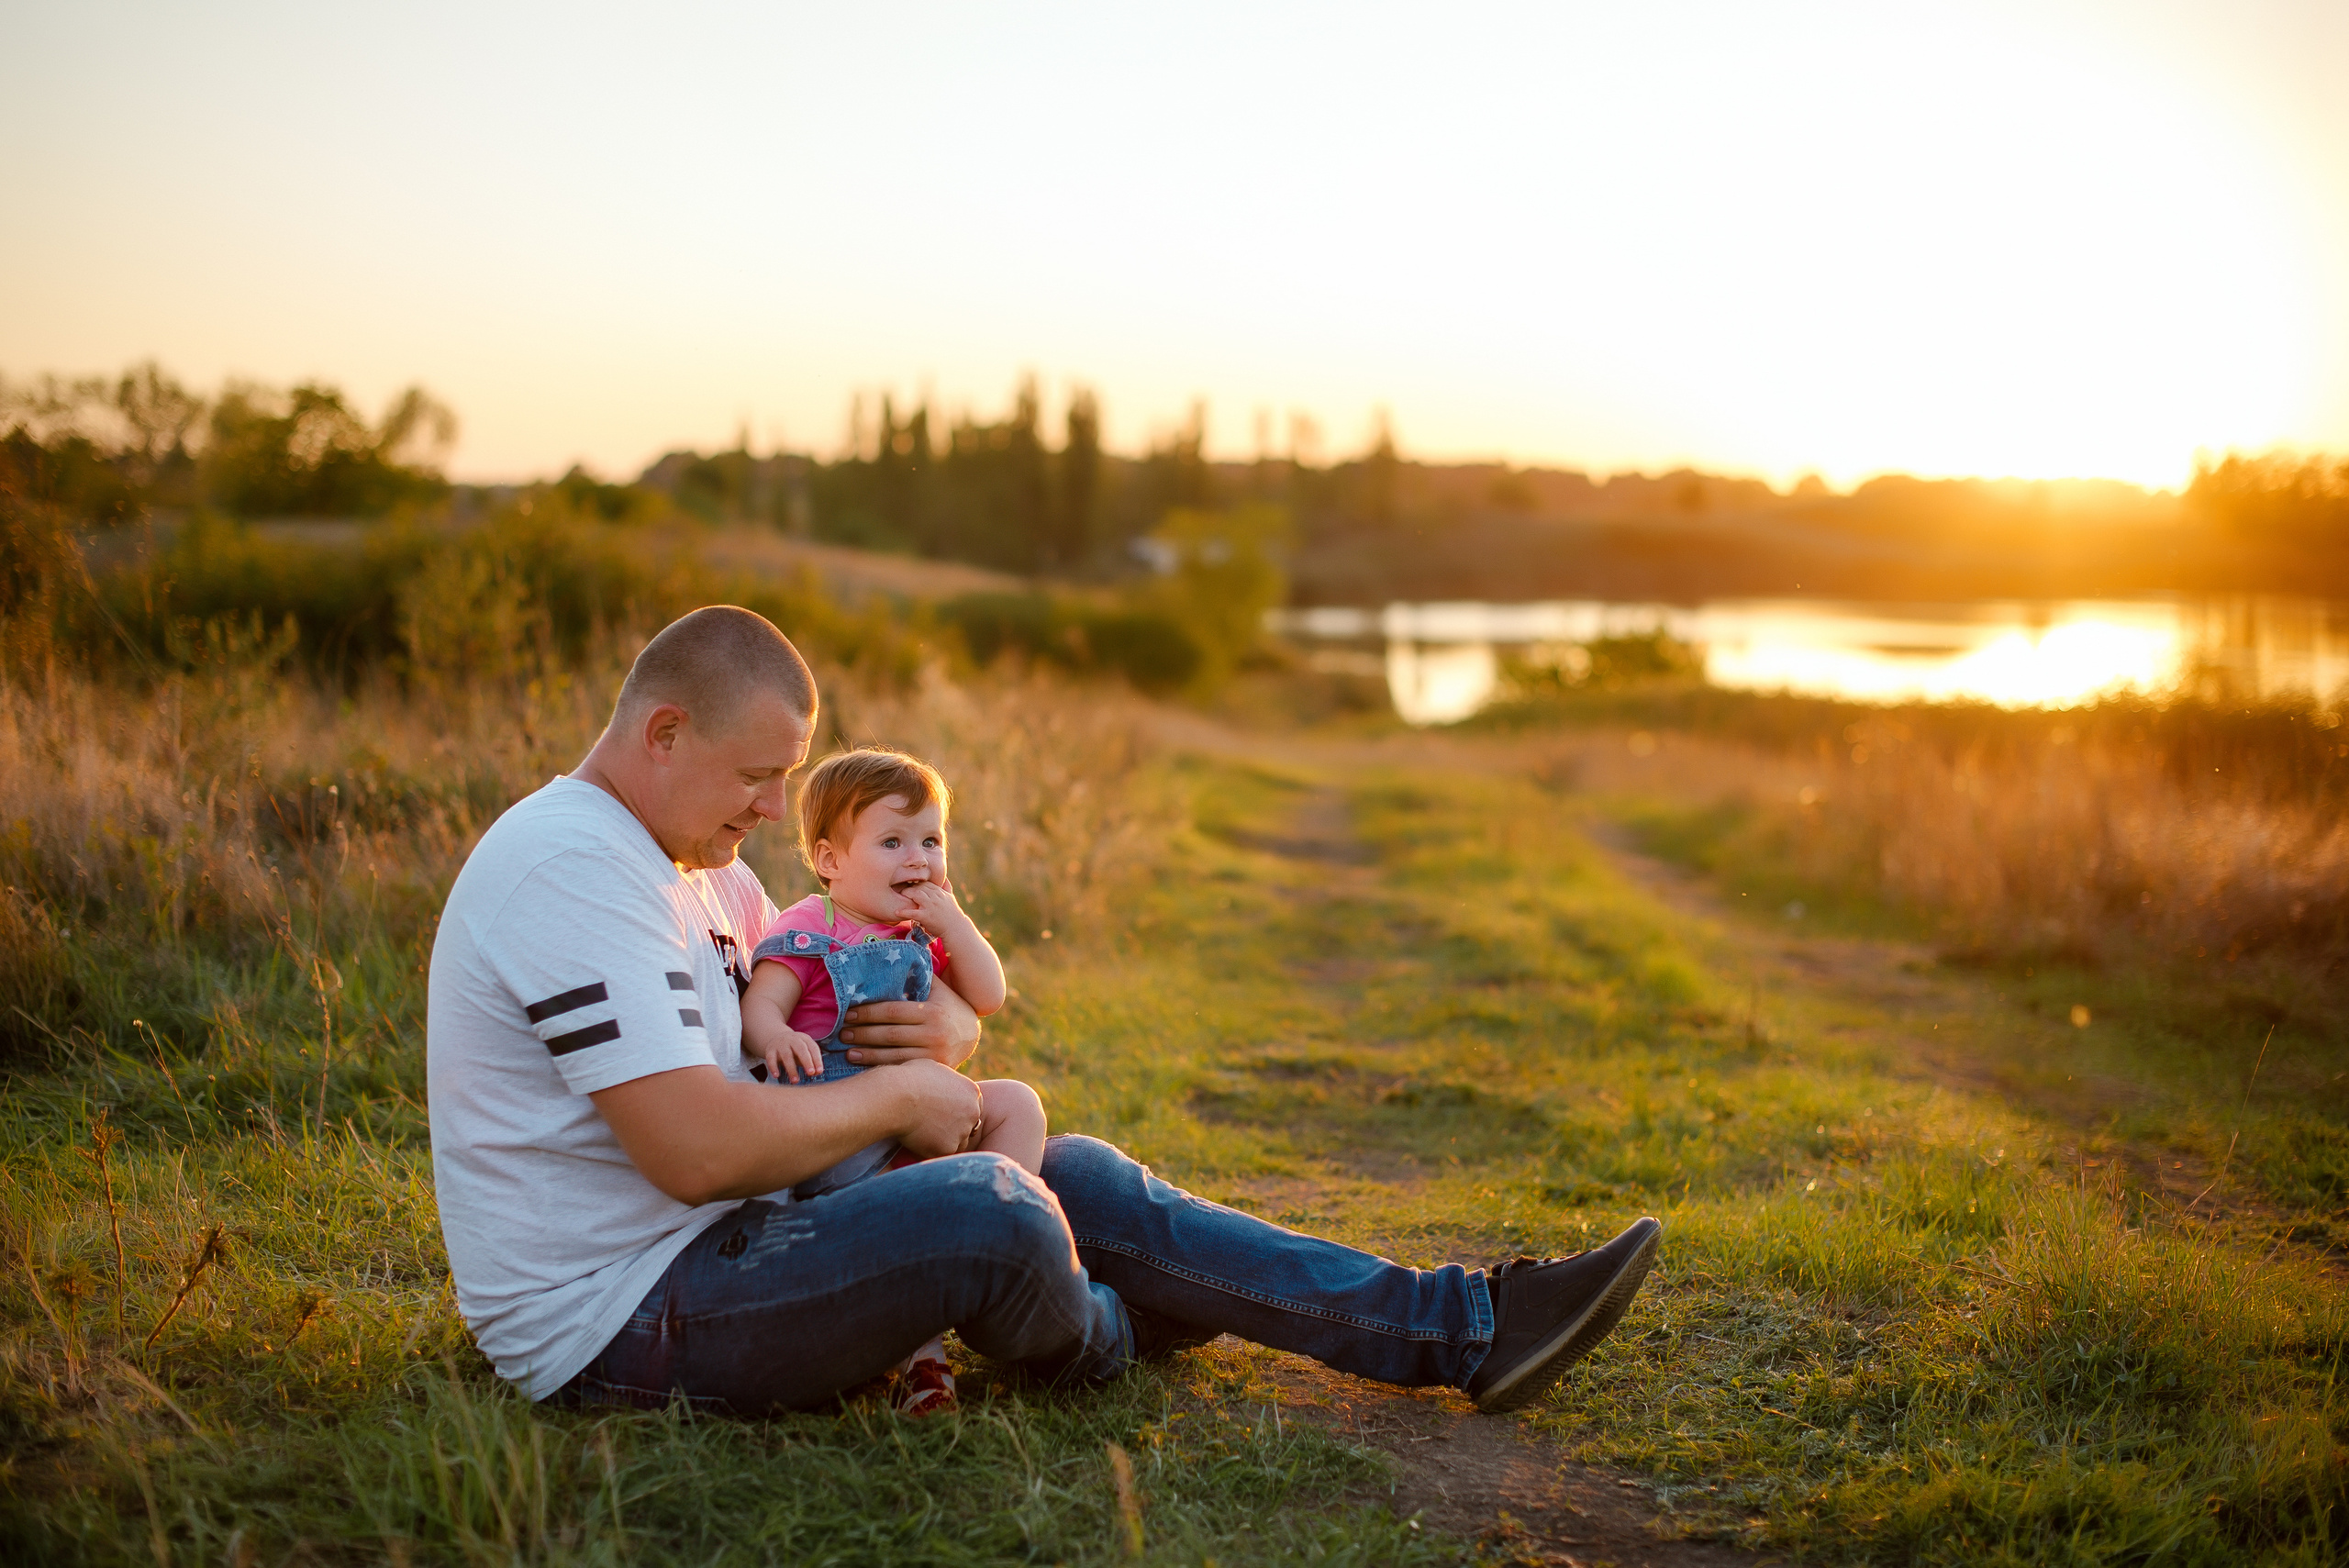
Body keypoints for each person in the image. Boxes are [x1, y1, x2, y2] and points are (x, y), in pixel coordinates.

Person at [426, 605, 1661, 1418]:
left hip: (760, 1232)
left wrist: (944, 1041)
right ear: (662, 732)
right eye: (754, 777)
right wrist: (912, 1095)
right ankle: (1124, 1316)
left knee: (1086, 1174)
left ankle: (1467, 1325)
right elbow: (692, 1149)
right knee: (999, 1209)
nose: (765, 810)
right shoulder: (570, 868)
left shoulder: (713, 877)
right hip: (626, 1320)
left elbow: (852, 1028)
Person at [740, 745, 1042, 1412]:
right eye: (893, 840)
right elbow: (760, 1003)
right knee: (907, 1210)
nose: (919, 858)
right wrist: (778, 1036)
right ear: (829, 861)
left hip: (922, 1120)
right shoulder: (810, 927)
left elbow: (987, 995)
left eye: (932, 840)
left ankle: (1015, 1229)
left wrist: (956, 925)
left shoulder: (923, 932)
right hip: (844, 1136)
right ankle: (924, 1365)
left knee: (1019, 1103)